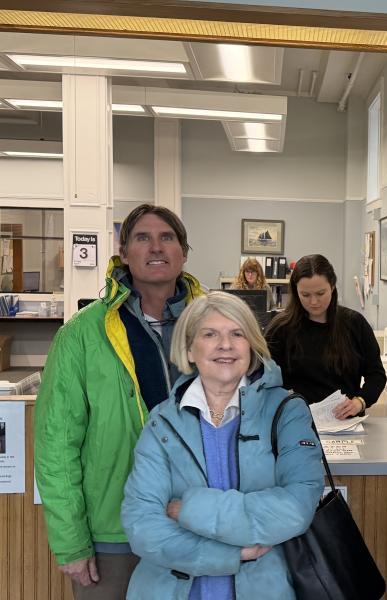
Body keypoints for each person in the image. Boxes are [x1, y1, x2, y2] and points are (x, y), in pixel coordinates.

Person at [34, 204, 203, 599]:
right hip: (114, 531)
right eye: (142, 238)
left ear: (184, 252)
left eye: (167, 237)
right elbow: (56, 446)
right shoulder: (82, 335)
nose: (156, 247)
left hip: (201, 520)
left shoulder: (215, 325)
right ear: (124, 253)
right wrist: (71, 541)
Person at [121, 291, 324, 599]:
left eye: (237, 334)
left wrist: (191, 508)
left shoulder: (287, 412)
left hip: (264, 588)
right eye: (210, 334)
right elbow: (142, 527)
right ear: (190, 349)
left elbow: (296, 507)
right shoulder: (162, 421)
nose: (225, 345)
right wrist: (231, 554)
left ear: (252, 346)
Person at [266, 253, 386, 419]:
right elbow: (264, 378)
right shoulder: (281, 328)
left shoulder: (354, 323)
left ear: (333, 287)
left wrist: (360, 402)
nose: (313, 302)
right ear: (295, 292)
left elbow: (376, 375)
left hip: (344, 423)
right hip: (294, 422)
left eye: (320, 293)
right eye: (305, 295)